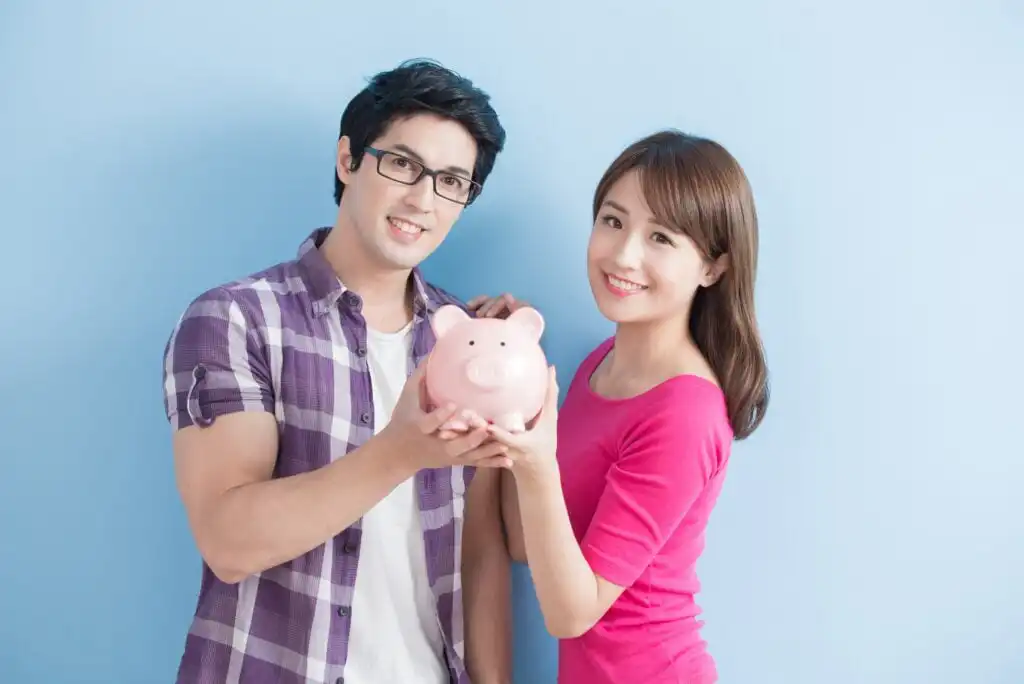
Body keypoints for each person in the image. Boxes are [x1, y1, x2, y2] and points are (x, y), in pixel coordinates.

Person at [161, 59, 516, 684]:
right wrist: (400, 452)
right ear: (348, 160)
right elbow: (228, 540)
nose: (422, 199)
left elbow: (480, 556)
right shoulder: (237, 320)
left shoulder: (466, 341)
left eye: (452, 181)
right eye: (402, 164)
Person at [470, 129, 770, 683]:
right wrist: (519, 375)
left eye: (661, 237)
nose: (624, 254)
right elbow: (522, 542)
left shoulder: (685, 414)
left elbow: (569, 614)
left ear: (714, 267)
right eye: (613, 221)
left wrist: (535, 462)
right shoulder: (598, 364)